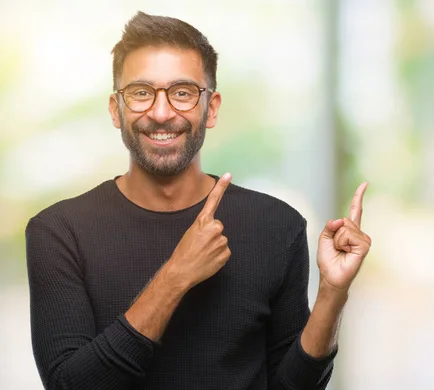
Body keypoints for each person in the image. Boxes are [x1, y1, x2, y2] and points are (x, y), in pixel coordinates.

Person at [25, 11, 371, 390]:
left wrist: (332, 295)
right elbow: (68, 385)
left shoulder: (277, 225)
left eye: (183, 93)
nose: (160, 112)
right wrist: (176, 276)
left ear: (212, 108)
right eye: (140, 92)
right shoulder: (58, 232)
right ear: (115, 109)